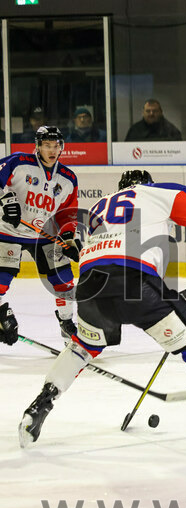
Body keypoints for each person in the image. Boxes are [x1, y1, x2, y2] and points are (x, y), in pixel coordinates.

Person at [17, 170, 186, 456]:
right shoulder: (153, 193)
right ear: (147, 185)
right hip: (137, 284)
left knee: (83, 347)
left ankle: (37, 408)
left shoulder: (100, 206)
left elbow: (104, 250)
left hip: (90, 287)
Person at [0, 126, 80, 347]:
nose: (52, 150)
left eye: (56, 146)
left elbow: (68, 214)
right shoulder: (18, 162)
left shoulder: (67, 178)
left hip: (44, 235)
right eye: (47, 146)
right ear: (37, 146)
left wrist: (67, 238)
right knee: (1, 281)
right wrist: (5, 201)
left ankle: (66, 323)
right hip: (9, 231)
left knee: (63, 280)